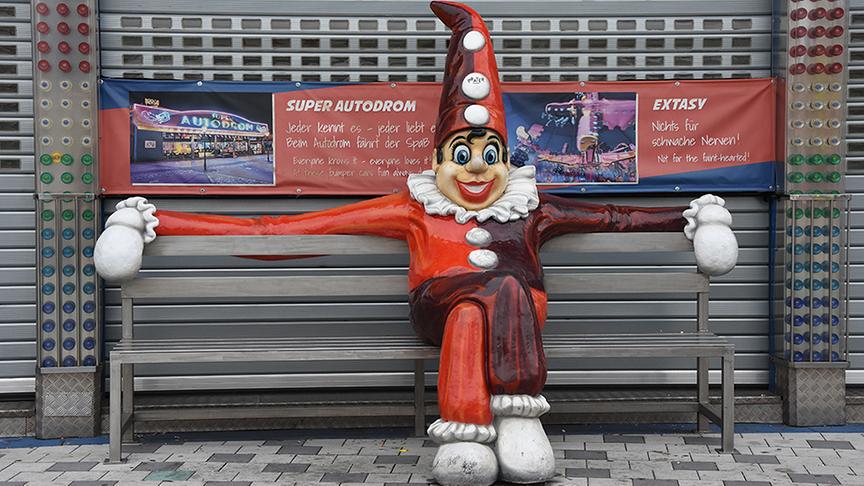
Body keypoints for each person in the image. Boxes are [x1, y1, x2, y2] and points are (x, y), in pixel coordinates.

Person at [94, 2, 738, 484]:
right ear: (439, 160)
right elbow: (281, 229)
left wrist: (696, 213)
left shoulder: (533, 204)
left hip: (509, 316)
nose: (479, 168)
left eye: (490, 153)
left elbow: (617, 220)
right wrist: (159, 220)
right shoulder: (413, 206)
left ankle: (472, 436)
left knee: (493, 296)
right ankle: (515, 421)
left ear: (507, 159)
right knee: (484, 295)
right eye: (464, 153)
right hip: (440, 308)